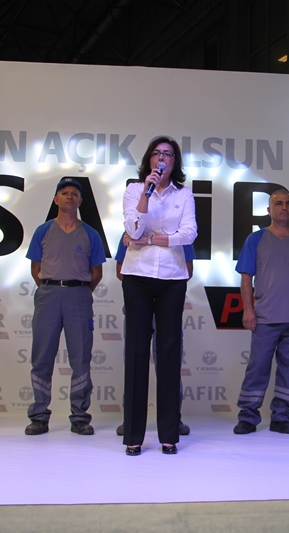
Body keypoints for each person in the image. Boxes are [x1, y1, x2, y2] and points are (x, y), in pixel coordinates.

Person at [120, 136, 197, 456]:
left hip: (172, 278)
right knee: (136, 352)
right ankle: (133, 436)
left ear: (174, 162)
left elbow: (189, 233)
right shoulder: (134, 190)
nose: (161, 158)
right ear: (149, 161)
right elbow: (133, 230)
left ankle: (169, 434)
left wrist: (155, 240)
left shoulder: (184, 194)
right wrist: (146, 195)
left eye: (168, 154)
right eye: (156, 154)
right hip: (137, 277)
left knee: (168, 352)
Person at [24, 177, 106, 436]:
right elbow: (35, 268)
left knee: (80, 358)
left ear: (80, 201)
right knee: (42, 357)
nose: (69, 196)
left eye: (74, 193)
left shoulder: (91, 234)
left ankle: (79, 417)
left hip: (78, 296)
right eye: (64, 192)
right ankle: (39, 416)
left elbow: (97, 273)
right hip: (48, 295)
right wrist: (51, 288)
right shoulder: (43, 231)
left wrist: (78, 291)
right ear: (56, 199)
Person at [233, 189, 289, 435]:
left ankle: (281, 417)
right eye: (278, 203)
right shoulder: (256, 239)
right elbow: (246, 278)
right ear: (269, 210)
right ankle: (248, 417)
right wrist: (248, 310)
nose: (284, 207)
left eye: (288, 203)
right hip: (265, 318)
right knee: (257, 368)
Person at [115, 232, 194, 437]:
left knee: (169, 359)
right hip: (138, 300)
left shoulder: (179, 234)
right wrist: (143, 284)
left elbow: (187, 268)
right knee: (134, 360)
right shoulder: (132, 231)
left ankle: (173, 419)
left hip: (167, 300)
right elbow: (121, 268)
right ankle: (130, 420)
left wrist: (163, 282)